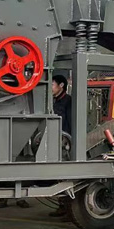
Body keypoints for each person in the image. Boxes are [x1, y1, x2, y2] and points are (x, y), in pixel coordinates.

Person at [50, 75, 73, 218]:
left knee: (66, 176)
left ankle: (69, 209)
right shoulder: (53, 101)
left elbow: (71, 122)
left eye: (52, 85)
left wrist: (69, 142)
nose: (50, 88)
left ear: (61, 86)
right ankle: (62, 206)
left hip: (65, 143)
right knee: (58, 176)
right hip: (55, 141)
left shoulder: (68, 101)